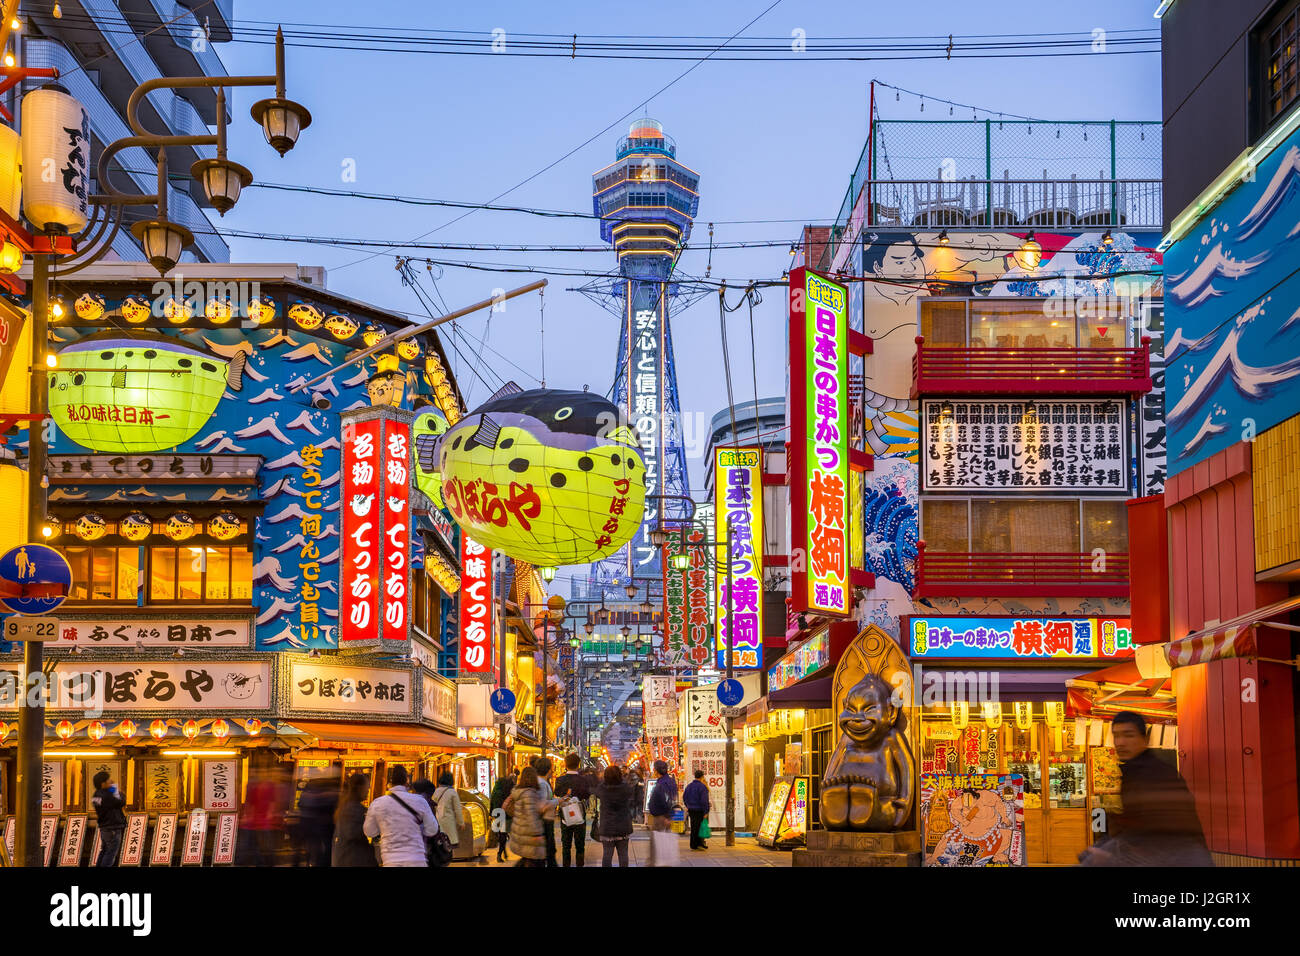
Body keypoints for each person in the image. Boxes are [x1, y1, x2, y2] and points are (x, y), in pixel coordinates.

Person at [1079, 711, 1213, 867]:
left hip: (1179, 857)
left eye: (1128, 735)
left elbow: (1155, 828)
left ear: (1145, 739)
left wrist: (1109, 853)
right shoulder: (1133, 772)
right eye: (1116, 736)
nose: (1120, 742)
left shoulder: (1156, 774)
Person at [363, 765, 440, 867]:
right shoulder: (420, 801)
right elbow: (432, 829)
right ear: (406, 781)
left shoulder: (377, 803)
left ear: (389, 783)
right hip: (416, 859)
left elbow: (369, 832)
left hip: (391, 860)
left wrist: (382, 828)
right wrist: (420, 830)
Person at [503, 766, 550, 867]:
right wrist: (537, 834)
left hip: (520, 831)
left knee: (527, 859)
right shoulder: (529, 793)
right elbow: (531, 816)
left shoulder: (518, 790)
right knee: (535, 860)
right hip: (528, 834)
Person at [553, 752, 591, 868]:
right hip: (580, 815)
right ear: (578, 765)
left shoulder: (560, 779)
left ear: (565, 765)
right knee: (580, 845)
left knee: (566, 845)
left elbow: (557, 793)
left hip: (565, 815)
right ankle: (580, 864)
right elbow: (587, 795)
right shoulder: (583, 780)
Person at [332, 773, 377, 867]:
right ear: (360, 788)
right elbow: (353, 833)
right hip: (353, 859)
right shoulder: (355, 810)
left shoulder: (344, 806)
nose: (368, 791)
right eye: (367, 788)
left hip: (344, 858)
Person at [594, 765, 634, 867]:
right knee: (623, 854)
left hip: (607, 827)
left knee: (607, 855)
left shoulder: (602, 788)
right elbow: (631, 793)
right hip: (623, 826)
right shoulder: (625, 788)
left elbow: (596, 792)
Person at [297, 775, 339, 867]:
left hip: (309, 824)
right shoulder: (329, 793)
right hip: (322, 824)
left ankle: (310, 861)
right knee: (324, 847)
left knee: (313, 846)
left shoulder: (306, 793)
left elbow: (300, 804)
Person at [90, 770, 127, 867]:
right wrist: (114, 789)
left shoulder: (96, 795)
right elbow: (121, 801)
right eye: (108, 780)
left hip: (104, 827)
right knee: (110, 853)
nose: (111, 781)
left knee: (105, 850)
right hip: (112, 827)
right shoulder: (107, 795)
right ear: (103, 783)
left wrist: (112, 790)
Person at [533, 757, 558, 867]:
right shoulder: (542, 784)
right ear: (548, 770)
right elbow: (542, 806)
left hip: (543, 822)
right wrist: (558, 801)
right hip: (545, 822)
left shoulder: (539, 781)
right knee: (549, 852)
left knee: (548, 853)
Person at [432, 772, 464, 851]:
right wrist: (461, 822)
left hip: (438, 819)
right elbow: (457, 809)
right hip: (449, 820)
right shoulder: (452, 792)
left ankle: (441, 857)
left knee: (440, 840)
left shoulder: (436, 791)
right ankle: (448, 857)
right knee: (450, 841)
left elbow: (433, 805)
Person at [489, 771, 515, 862]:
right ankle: (500, 854)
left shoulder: (496, 789)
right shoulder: (508, 790)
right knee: (503, 834)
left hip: (497, 813)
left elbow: (492, 801)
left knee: (502, 834)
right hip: (506, 814)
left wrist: (491, 814)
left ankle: (504, 853)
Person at [683, 769, 711, 851]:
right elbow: (704, 800)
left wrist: (687, 805)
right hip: (700, 810)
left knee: (694, 826)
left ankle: (694, 844)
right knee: (699, 827)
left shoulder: (689, 786)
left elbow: (684, 797)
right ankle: (698, 843)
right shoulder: (702, 787)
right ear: (702, 777)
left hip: (691, 810)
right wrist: (706, 811)